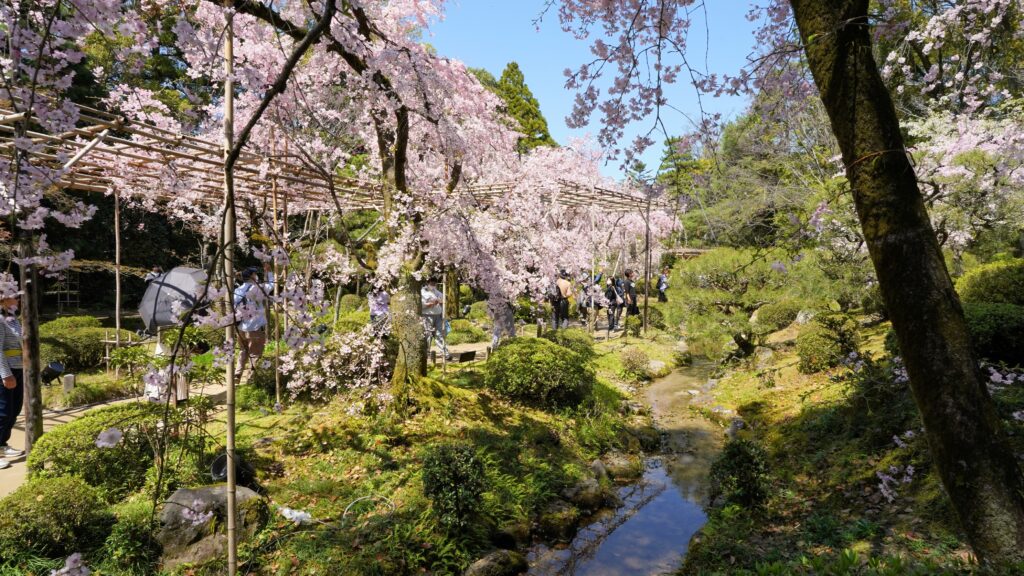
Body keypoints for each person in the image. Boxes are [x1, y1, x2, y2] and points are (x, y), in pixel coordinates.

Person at [233, 263, 274, 381]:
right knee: (255, 353)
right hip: (255, 328)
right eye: (255, 274)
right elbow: (271, 284)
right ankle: (251, 378)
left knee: (243, 351)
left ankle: (237, 374)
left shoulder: (237, 290)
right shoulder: (258, 288)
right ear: (252, 276)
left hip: (241, 327)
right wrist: (269, 272)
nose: (257, 275)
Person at [0, 295, 24, 470]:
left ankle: (2, 444)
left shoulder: (13, 319)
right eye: (14, 296)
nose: (17, 299)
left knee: (14, 408)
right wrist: (6, 375)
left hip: (18, 368)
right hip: (5, 371)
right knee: (3, 412)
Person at [421, 279, 448, 358]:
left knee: (440, 334)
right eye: (432, 283)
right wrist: (430, 304)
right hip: (427, 316)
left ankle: (445, 353)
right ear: (427, 283)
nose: (433, 285)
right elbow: (421, 305)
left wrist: (440, 301)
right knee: (428, 335)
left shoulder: (436, 291)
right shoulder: (422, 292)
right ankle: (426, 353)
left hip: (438, 315)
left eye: (435, 283)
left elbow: (443, 299)